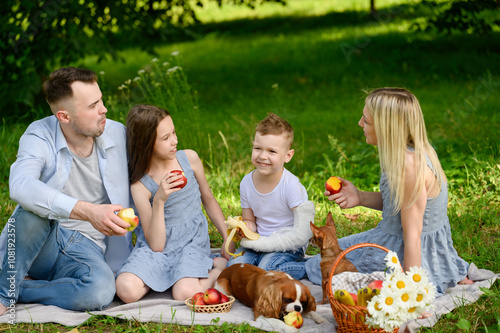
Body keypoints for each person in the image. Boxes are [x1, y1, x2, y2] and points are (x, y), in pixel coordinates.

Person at [305, 88, 472, 295]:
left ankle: (274, 266)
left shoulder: (408, 166)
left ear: (386, 128)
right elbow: (398, 205)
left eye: (366, 121)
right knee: (326, 256)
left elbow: (413, 236)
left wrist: (412, 294)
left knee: (316, 266)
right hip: (393, 237)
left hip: (402, 252)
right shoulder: (406, 152)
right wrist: (360, 197)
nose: (359, 124)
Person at [0, 67, 132, 316]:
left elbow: (151, 173)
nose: (103, 109)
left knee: (101, 291)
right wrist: (88, 211)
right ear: (64, 116)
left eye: (101, 100)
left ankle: (20, 289)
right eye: (93, 106)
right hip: (43, 241)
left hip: (89, 250)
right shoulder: (39, 135)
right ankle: (4, 293)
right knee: (32, 211)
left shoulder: (117, 133)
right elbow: (20, 185)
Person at [115, 105, 231, 303]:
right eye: (165, 138)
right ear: (146, 143)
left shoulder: (189, 159)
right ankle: (165, 276)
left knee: (184, 293)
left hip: (190, 242)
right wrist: (159, 199)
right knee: (125, 290)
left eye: (174, 133)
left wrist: (226, 238)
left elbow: (209, 199)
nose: (174, 141)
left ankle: (217, 268)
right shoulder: (140, 185)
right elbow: (156, 245)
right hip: (157, 246)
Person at [227, 113, 314, 281]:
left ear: (288, 156)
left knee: (266, 271)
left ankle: (311, 268)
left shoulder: (290, 185)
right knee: (234, 270)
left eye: (272, 151)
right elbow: (250, 220)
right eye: (258, 148)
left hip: (287, 246)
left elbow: (303, 229)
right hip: (257, 243)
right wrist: (244, 229)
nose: (262, 156)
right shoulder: (246, 183)